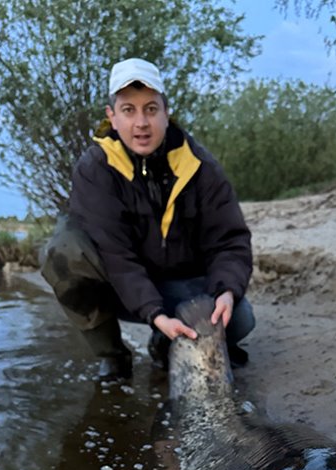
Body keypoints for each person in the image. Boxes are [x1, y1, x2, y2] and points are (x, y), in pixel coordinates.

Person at [42, 57, 255, 379]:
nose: (141, 122)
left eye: (151, 109)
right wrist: (155, 314)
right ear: (112, 117)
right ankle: (113, 357)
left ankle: (164, 345)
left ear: (166, 113)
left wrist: (226, 291)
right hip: (121, 288)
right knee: (63, 250)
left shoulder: (201, 166)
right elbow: (115, 255)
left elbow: (230, 242)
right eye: (128, 110)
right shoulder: (94, 169)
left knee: (240, 321)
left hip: (183, 286)